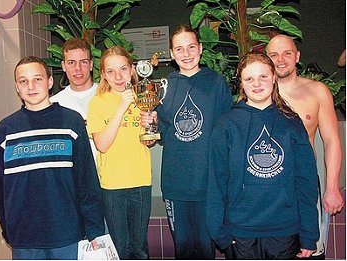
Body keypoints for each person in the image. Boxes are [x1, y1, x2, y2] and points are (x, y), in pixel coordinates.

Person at [206, 52, 319, 259]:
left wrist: (309, 233)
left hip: (284, 232)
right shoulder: (226, 125)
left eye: (263, 77)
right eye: (249, 78)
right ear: (241, 83)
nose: (257, 84)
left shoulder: (291, 123)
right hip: (240, 234)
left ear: (274, 78)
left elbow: (306, 181)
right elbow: (216, 182)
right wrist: (219, 233)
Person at [0, 56, 105, 260]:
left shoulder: (71, 122)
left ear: (49, 81)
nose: (31, 86)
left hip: (67, 236)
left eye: (37, 79)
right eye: (23, 81)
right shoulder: (5, 131)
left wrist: (95, 230)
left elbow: (87, 181)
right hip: (24, 239)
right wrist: (8, 230)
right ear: (17, 87)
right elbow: (0, 189)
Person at [141, 25, 233, 259]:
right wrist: (150, 120)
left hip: (208, 184)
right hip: (175, 185)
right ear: (172, 54)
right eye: (179, 49)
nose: (186, 53)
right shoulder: (164, 87)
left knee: (205, 250)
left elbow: (227, 134)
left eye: (191, 47)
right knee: (182, 251)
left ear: (200, 49)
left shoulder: (216, 83)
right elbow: (157, 134)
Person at [266, 34, 344, 259]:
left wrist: (332, 188)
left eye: (287, 53)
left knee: (308, 252)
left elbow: (331, 141)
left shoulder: (317, 91)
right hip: (268, 188)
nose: (280, 59)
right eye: (274, 55)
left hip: (305, 184)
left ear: (297, 56)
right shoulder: (258, 93)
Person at [87, 46, 152, 260]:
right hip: (112, 186)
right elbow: (102, 145)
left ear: (133, 69)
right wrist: (122, 107)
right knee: (120, 248)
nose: (118, 76)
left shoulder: (144, 97)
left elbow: (149, 141)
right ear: (103, 74)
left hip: (141, 181)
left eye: (123, 69)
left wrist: (151, 124)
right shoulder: (98, 103)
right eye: (111, 71)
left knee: (140, 247)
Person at [50, 38, 98, 161]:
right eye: (71, 62)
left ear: (91, 65)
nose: (78, 68)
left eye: (83, 62)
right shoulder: (54, 104)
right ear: (63, 66)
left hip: (109, 175)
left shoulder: (108, 96)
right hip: (73, 176)